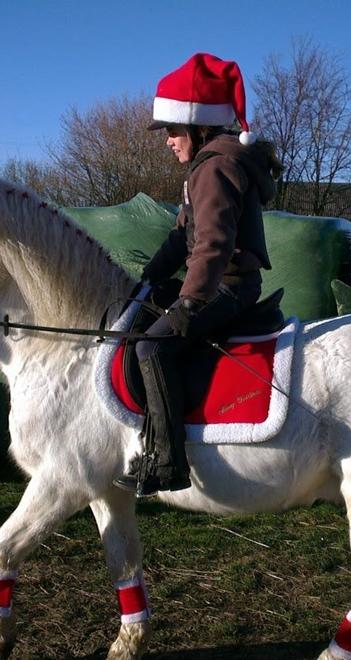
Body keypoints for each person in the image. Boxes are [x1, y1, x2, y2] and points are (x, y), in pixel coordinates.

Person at [113, 52, 282, 497]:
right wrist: (145, 280)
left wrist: (189, 301)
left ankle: (169, 461)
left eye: (171, 130)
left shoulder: (214, 166)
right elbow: (180, 239)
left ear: (197, 124)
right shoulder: (206, 165)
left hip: (226, 286)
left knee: (151, 346)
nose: (167, 140)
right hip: (216, 280)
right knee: (145, 318)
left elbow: (213, 243)